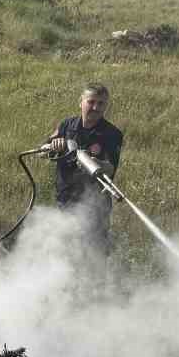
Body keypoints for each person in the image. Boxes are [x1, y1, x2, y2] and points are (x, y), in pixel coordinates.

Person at [44, 83, 123, 254]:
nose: (95, 107)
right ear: (81, 102)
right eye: (91, 101)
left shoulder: (112, 134)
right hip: (65, 202)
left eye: (101, 103)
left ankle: (97, 280)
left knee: (93, 255)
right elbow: (42, 151)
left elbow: (110, 169)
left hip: (95, 207)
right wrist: (53, 146)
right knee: (64, 251)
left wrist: (94, 163)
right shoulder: (66, 126)